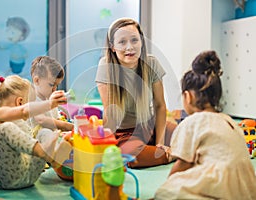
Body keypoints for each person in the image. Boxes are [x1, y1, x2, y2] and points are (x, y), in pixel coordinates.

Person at [155, 51, 256, 199]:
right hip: (246, 190)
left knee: (165, 193)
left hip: (221, 187)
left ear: (187, 97)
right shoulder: (229, 121)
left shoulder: (192, 123)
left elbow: (182, 165)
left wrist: (170, 181)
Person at [95, 18, 173, 168]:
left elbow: (160, 106)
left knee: (187, 135)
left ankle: (169, 152)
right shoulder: (106, 66)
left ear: (141, 42)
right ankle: (177, 154)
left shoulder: (152, 63)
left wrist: (160, 144)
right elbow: (111, 114)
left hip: (150, 125)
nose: (129, 47)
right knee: (130, 156)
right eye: (122, 42)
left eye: (134, 40)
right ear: (112, 47)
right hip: (124, 133)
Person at [0, 73, 72, 189]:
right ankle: (45, 153)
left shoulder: (22, 124)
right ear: (19, 102)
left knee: (43, 132)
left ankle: (53, 155)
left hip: (29, 176)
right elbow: (24, 111)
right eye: (29, 102)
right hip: (5, 180)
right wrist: (50, 104)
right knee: (6, 128)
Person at [30, 56, 74, 132]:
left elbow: (56, 119)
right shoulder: (32, 99)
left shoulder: (49, 98)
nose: (55, 89)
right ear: (37, 81)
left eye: (57, 85)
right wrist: (66, 126)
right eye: (51, 85)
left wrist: (64, 122)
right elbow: (41, 120)